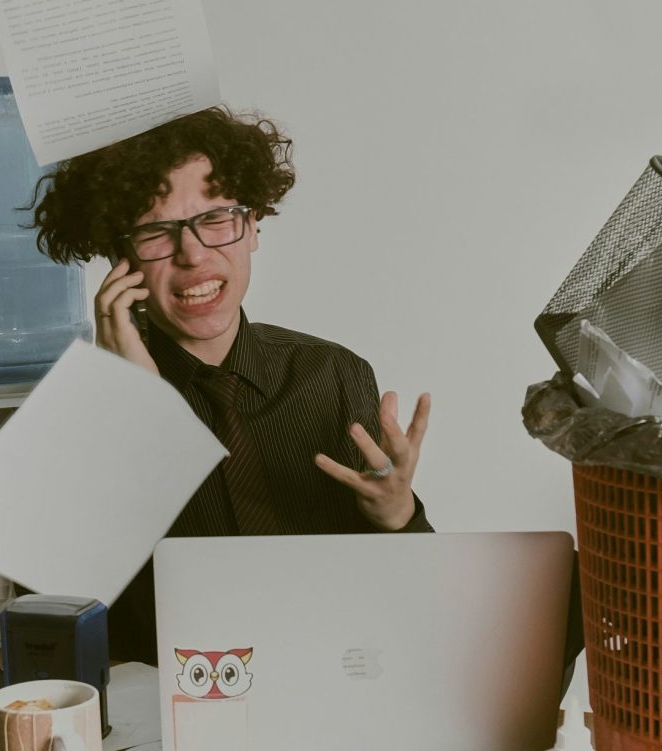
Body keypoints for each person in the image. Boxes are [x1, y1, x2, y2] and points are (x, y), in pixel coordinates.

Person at [30, 105, 434, 663]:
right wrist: (127, 409)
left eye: (217, 219)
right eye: (155, 231)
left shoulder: (335, 375)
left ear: (253, 228)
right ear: (121, 260)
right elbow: (53, 640)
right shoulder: (74, 415)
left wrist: (399, 517)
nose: (193, 255)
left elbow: (413, 606)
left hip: (329, 690)